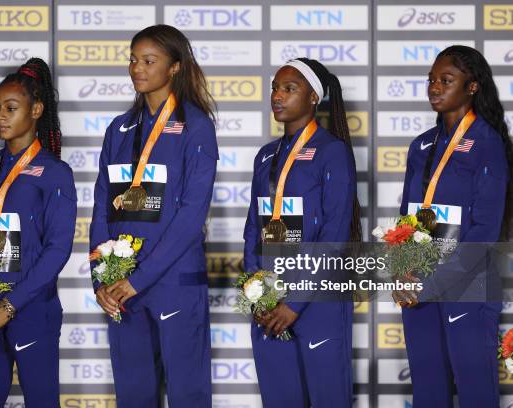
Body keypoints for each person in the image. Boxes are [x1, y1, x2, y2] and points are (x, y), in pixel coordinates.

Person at [89, 25, 218, 407]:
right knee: (133, 394)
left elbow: (191, 218)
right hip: (121, 283)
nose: (136, 68)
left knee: (187, 394)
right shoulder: (118, 129)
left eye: (148, 61)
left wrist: (139, 279)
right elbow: (101, 208)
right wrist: (101, 276)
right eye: (132, 59)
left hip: (173, 280)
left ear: (175, 67)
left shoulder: (196, 127)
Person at [0, 58, 77, 407]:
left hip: (31, 310)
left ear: (36, 109)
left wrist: (10, 305)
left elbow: (58, 248)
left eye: (10, 108)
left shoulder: (55, 172)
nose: (0, 116)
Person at [394, 45, 512, 407]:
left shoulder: (488, 144)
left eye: (446, 80)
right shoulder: (421, 146)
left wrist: (432, 282)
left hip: (469, 286)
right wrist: (403, 273)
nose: (434, 87)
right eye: (431, 80)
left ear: (472, 87)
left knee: (476, 393)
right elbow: (405, 219)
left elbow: (484, 230)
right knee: (428, 392)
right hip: (420, 286)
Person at [243, 57, 361, 407]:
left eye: (289, 89)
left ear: (313, 97)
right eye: (275, 89)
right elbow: (254, 228)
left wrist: (294, 302)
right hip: (268, 300)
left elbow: (334, 235)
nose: (277, 96)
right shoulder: (265, 156)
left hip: (316, 298)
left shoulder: (332, 152)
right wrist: (257, 294)